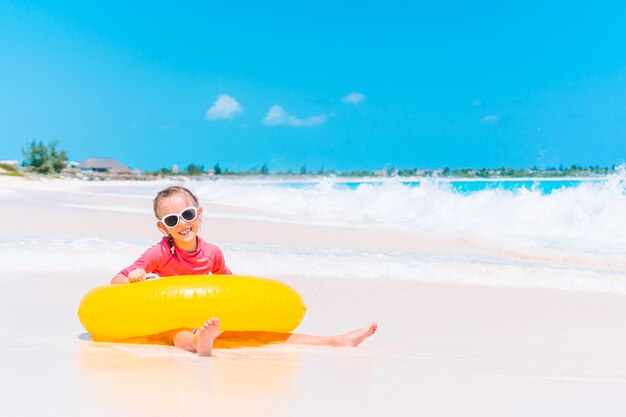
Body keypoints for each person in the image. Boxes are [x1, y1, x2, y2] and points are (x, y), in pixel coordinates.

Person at [112, 185, 377, 356]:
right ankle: (198, 344)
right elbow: (116, 282)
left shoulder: (212, 252)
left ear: (199, 214)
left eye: (188, 215)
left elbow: (231, 286)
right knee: (176, 334)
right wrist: (135, 278)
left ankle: (335, 341)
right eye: (172, 220)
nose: (182, 223)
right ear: (163, 227)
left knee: (261, 335)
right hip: (169, 317)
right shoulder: (158, 253)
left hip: (206, 317)